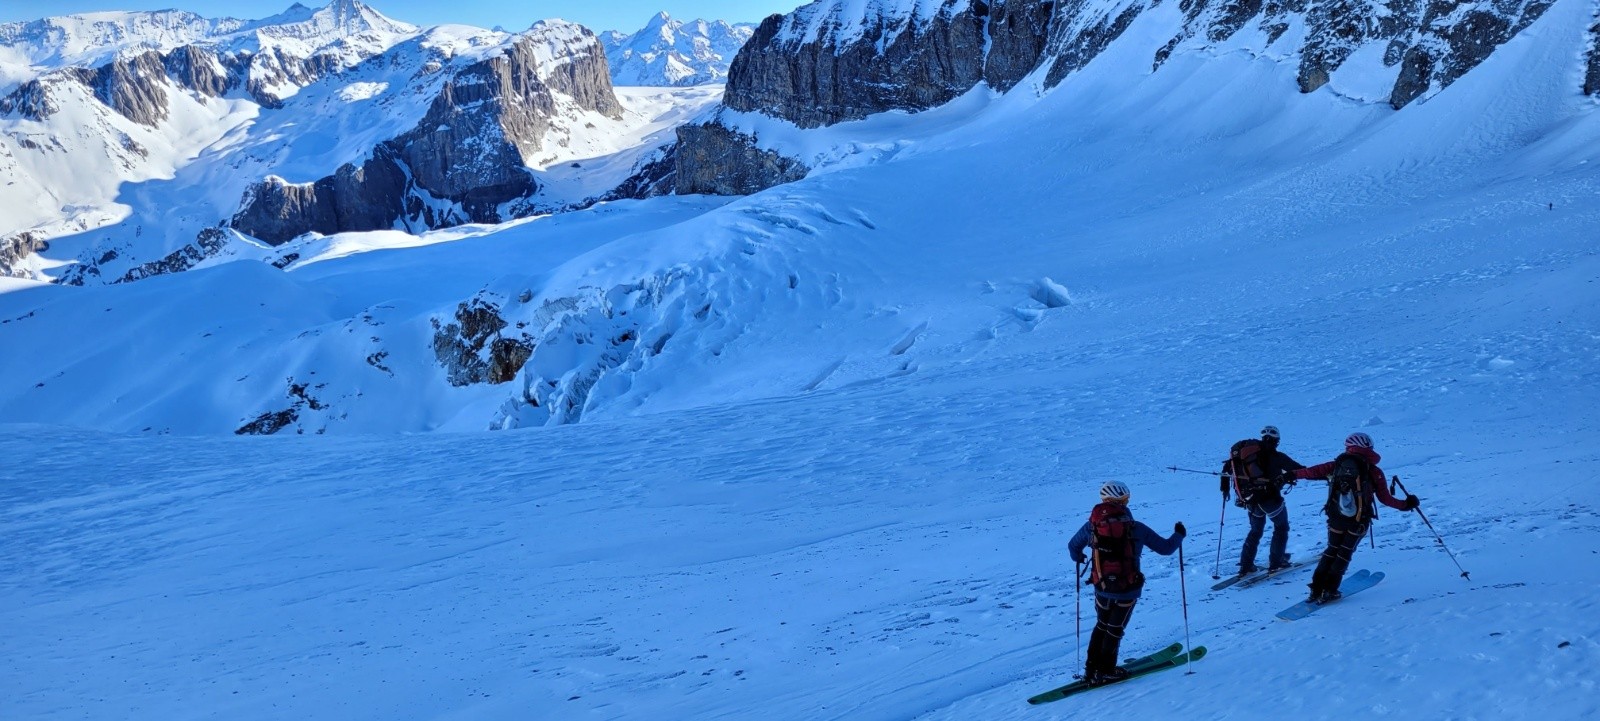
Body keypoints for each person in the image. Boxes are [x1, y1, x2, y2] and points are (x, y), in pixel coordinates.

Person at [1068, 481, 1186, 685]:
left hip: (1101, 587)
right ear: (1123, 501)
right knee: (1115, 630)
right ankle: (1106, 671)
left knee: (1101, 625)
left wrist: (1079, 557)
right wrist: (1179, 534)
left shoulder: (1092, 526)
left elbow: (1073, 546)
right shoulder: (1136, 527)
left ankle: (1091, 670)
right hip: (1127, 589)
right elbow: (1166, 549)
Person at [1282, 432, 1419, 604]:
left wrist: (1291, 474)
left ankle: (1316, 590)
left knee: (1331, 550)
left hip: (1335, 518)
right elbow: (1385, 499)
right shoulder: (1373, 471)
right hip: (1358, 520)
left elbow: (1311, 472)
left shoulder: (1336, 465)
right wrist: (1406, 505)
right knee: (1344, 553)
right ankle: (1330, 590)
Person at [1220, 425, 1304, 575]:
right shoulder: (1277, 456)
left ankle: (1246, 566)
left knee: (1255, 531)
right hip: (1271, 499)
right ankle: (1276, 562)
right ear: (1277, 441)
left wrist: (1224, 488)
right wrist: (1324, 475)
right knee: (1281, 528)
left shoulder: (1246, 456)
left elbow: (1227, 468)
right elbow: (1299, 469)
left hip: (1250, 499)